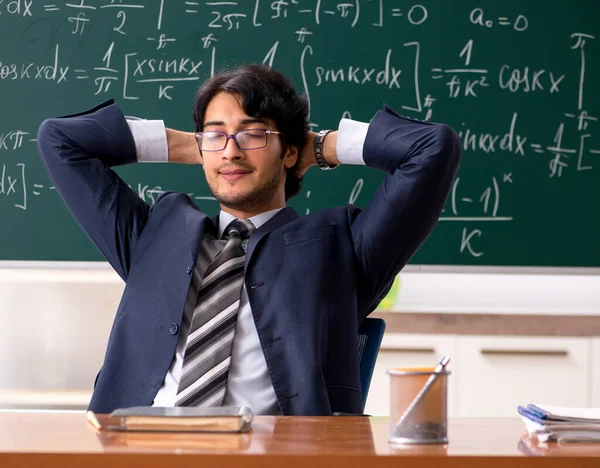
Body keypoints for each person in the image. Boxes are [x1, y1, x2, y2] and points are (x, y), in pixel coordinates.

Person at [37, 64, 461, 415]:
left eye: (253, 134)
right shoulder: (155, 233)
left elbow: (431, 148)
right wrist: (195, 146)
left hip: (274, 454)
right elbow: (60, 140)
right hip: (140, 448)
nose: (232, 152)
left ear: (289, 152)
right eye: (217, 133)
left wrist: (318, 147)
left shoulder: (343, 247)